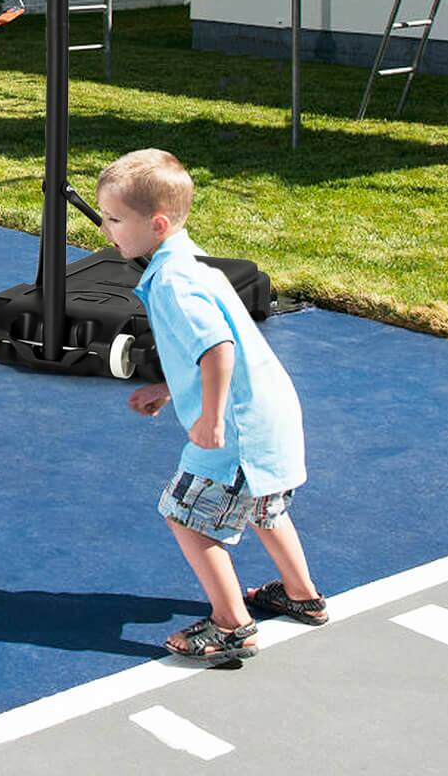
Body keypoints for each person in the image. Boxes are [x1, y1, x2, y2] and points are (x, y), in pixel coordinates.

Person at [98, 149, 328, 663]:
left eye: (114, 219)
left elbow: (218, 349)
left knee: (186, 516)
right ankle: (301, 594)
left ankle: (232, 624)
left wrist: (209, 417)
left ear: (156, 224)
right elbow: (215, 352)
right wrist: (171, 389)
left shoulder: (175, 283)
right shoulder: (191, 264)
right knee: (265, 505)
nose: (106, 229)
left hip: (237, 429)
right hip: (270, 413)